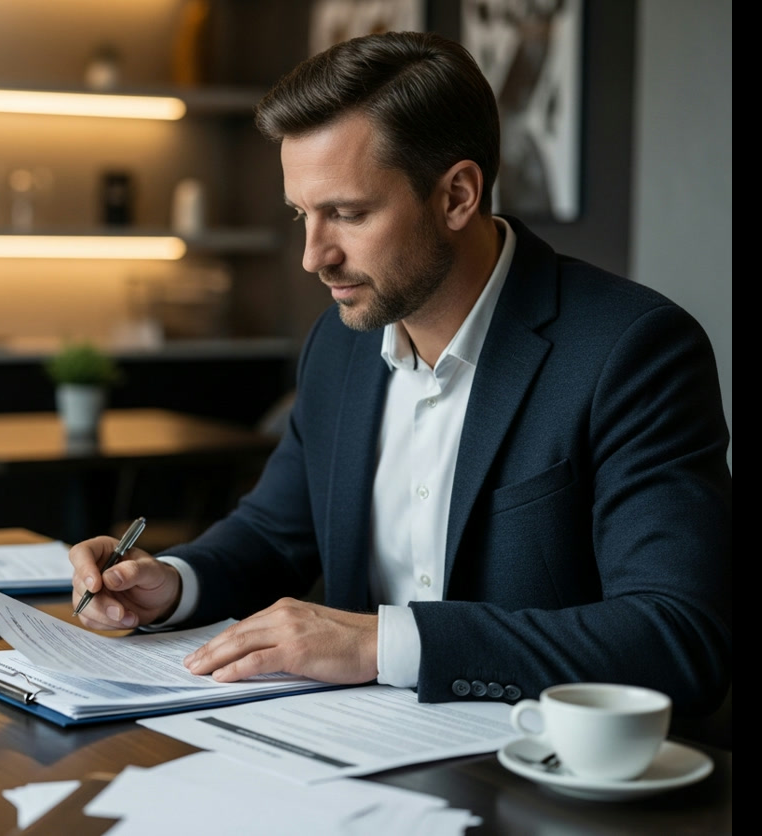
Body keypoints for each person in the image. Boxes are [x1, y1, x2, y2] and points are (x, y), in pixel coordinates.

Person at [67, 31, 731, 714]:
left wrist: (381, 645)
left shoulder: (632, 350)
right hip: (356, 760)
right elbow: (273, 532)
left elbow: (677, 635)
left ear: (456, 196)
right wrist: (173, 582)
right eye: (302, 214)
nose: (312, 256)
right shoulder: (340, 341)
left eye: (347, 214)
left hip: (538, 780)